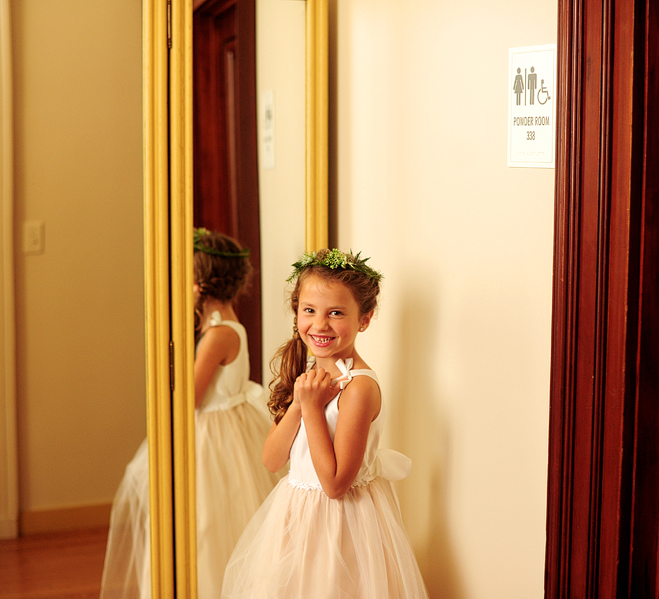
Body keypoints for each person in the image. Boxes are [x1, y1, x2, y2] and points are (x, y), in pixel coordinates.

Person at [222, 249, 429, 599]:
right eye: (309, 311)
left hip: (342, 524)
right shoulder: (313, 377)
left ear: (364, 319)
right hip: (295, 516)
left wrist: (313, 410)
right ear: (297, 311)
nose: (319, 324)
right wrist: (302, 404)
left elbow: (334, 485)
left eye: (336, 313)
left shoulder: (359, 387)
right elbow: (272, 461)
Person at [100, 229, 282, 599]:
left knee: (207, 524)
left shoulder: (217, 335)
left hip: (212, 437)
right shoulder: (229, 325)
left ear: (199, 284)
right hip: (228, 427)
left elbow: (190, 398)